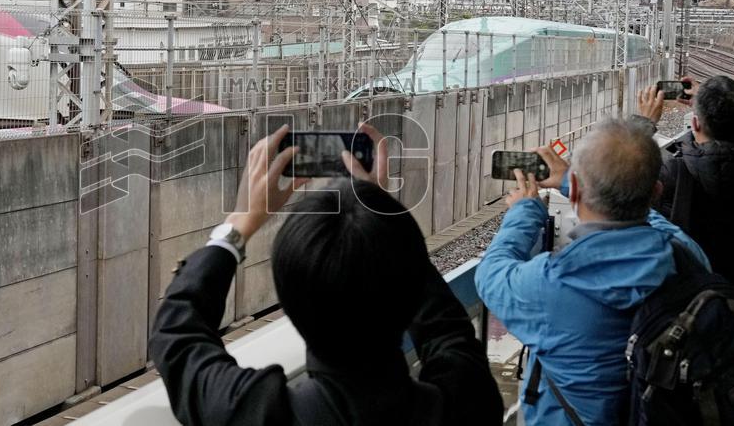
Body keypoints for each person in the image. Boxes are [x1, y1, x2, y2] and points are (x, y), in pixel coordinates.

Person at [150, 123, 504, 426]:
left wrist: (240, 222)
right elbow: (448, 331)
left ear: (289, 303)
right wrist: (377, 221)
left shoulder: (250, 413)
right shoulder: (467, 405)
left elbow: (177, 334)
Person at [475, 119, 709, 426]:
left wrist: (525, 210)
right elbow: (666, 228)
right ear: (656, 192)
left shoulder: (551, 282)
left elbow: (490, 274)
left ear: (575, 196)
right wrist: (576, 181)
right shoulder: (687, 257)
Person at [637, 76, 734, 308]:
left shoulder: (672, 171)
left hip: (686, 305)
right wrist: (718, 102)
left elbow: (617, 183)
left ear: (695, 124)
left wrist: (643, 124)